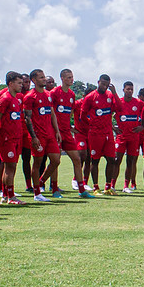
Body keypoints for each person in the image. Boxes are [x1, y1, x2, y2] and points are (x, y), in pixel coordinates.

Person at [50, 69, 95, 198]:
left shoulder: (71, 94)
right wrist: (55, 129)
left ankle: (81, 190)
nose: (72, 79)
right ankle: (54, 189)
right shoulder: (54, 93)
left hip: (66, 132)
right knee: (56, 161)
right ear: (62, 78)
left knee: (77, 159)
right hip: (56, 132)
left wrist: (69, 126)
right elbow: (51, 113)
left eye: (72, 77)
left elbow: (69, 112)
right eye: (69, 77)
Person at [23, 68, 61, 202]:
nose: (44, 79)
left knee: (56, 160)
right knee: (37, 163)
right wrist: (33, 136)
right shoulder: (29, 96)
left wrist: (56, 131)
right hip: (38, 135)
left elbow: (52, 113)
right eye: (41, 78)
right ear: (34, 80)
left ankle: (40, 182)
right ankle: (37, 193)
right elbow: (27, 118)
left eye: (44, 77)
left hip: (50, 134)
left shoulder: (48, 94)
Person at [0, 71, 25, 205]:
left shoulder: (17, 98)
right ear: (11, 83)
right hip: (7, 138)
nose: (21, 85)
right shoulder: (5, 98)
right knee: (9, 166)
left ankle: (6, 194)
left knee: (12, 167)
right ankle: (10, 196)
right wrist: (0, 134)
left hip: (16, 137)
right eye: (19, 83)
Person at [112, 81, 144, 193]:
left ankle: (126, 186)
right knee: (117, 160)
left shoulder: (138, 103)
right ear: (123, 90)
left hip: (134, 137)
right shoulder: (118, 102)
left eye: (131, 89)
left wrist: (142, 126)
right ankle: (112, 185)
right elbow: (106, 113)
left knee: (130, 161)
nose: (130, 91)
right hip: (121, 136)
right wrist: (113, 127)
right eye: (128, 89)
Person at [19, 73, 34, 193]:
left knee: (28, 158)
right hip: (16, 131)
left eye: (28, 82)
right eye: (24, 82)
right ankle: (3, 189)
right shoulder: (17, 95)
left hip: (28, 132)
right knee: (8, 162)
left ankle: (30, 185)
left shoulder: (31, 95)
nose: (26, 84)